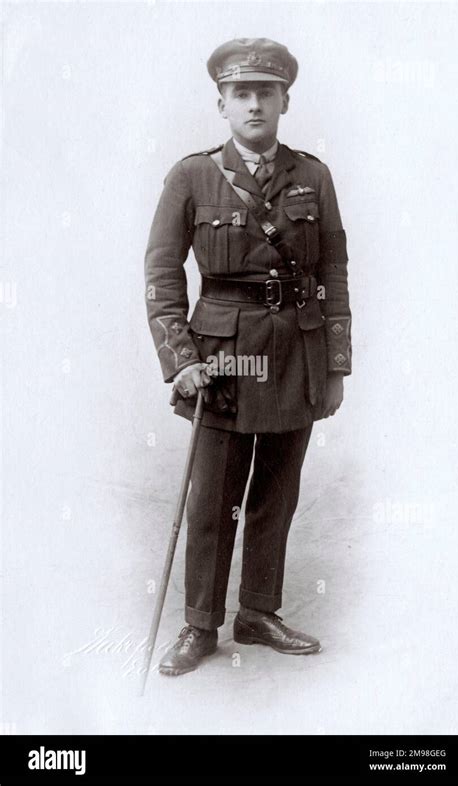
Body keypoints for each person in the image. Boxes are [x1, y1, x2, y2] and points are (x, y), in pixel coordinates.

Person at [145, 37, 352, 676]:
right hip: (223, 360)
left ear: (285, 100)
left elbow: (335, 270)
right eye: (242, 94)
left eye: (266, 92)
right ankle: (199, 625)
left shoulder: (313, 175)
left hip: (297, 355)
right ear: (222, 104)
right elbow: (161, 272)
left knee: (276, 493)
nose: (254, 104)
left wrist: (337, 362)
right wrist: (180, 358)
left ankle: (258, 612)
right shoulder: (192, 176)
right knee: (214, 497)